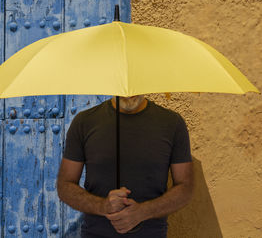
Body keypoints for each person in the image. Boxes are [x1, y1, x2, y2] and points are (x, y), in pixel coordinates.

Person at [56, 95, 194, 238]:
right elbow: (65, 185)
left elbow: (185, 188)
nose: (129, 93)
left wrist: (142, 211)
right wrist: (103, 206)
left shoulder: (172, 123)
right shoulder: (84, 122)